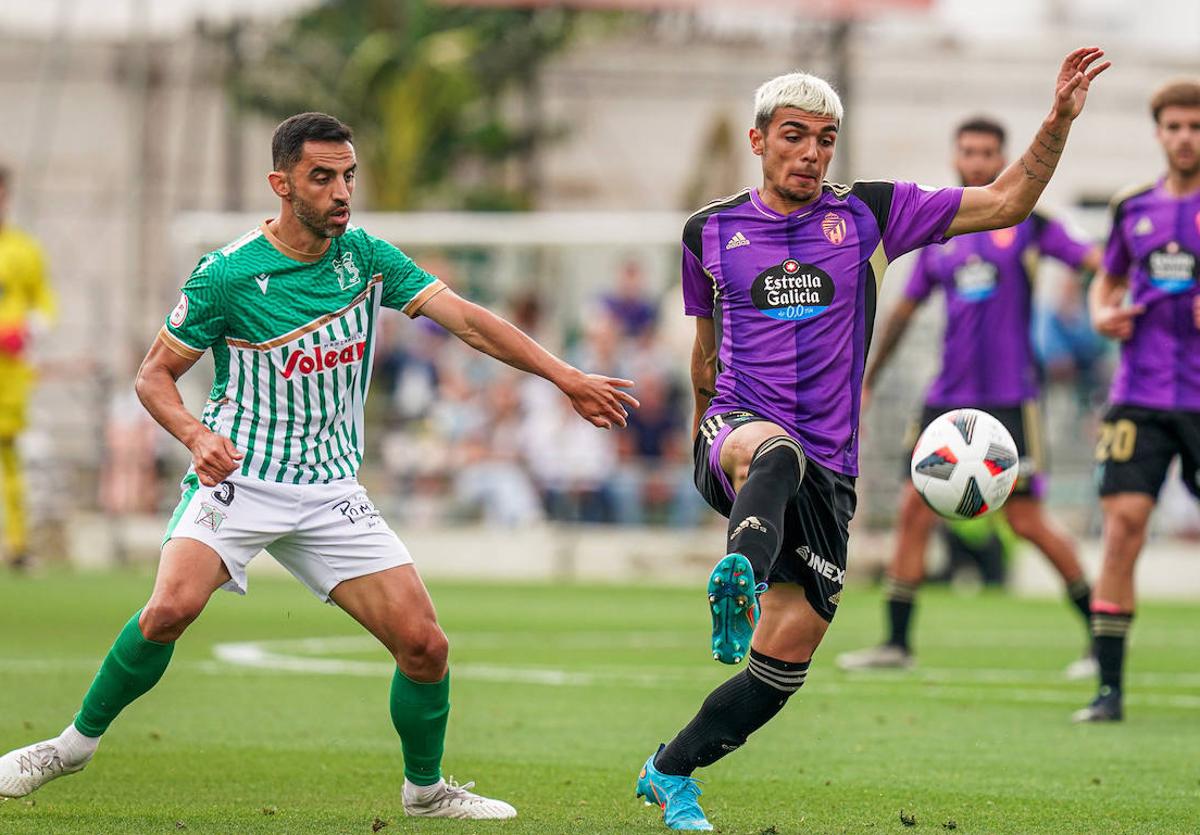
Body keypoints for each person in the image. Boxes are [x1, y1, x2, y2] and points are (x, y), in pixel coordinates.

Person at [0, 113, 637, 817]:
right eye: (322, 177)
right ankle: (68, 746)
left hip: (329, 490)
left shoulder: (364, 256)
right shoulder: (227, 275)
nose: (342, 192)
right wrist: (193, 435)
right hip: (238, 478)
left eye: (349, 176)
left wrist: (565, 376)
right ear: (281, 184)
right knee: (170, 608)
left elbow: (467, 320)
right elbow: (153, 375)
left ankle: (425, 791)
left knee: (425, 644)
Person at [635, 48, 1109, 831]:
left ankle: (670, 771)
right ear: (758, 141)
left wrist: (1056, 121)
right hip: (740, 437)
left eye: (826, 138)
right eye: (794, 136)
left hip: (830, 468)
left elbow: (1007, 200)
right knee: (775, 451)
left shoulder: (870, 215)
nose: (812, 152)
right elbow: (706, 352)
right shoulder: (708, 231)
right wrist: (702, 445)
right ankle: (739, 579)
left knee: (783, 665)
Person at [835, 116, 1102, 677]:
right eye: (968, 152)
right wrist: (867, 378)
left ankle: (1101, 635)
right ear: (956, 158)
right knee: (914, 511)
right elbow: (905, 312)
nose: (977, 162)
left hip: (1010, 400)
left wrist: (1118, 291)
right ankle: (897, 643)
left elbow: (1094, 260)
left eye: (988, 154)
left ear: (1003, 158)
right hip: (946, 402)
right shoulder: (941, 236)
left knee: (1026, 522)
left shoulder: (1030, 223)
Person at [1074, 79, 1200, 723]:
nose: (1185, 137)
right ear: (1159, 132)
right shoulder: (1133, 206)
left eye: (1195, 127)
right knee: (1122, 531)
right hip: (1139, 396)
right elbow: (1111, 278)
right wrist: (1101, 314)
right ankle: (1108, 692)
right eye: (1174, 126)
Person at [0, 165, 56, 571]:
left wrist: (29, 330)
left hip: (11, 374)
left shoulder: (24, 248)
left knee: (10, 457)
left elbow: (45, 306)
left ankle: (18, 547)